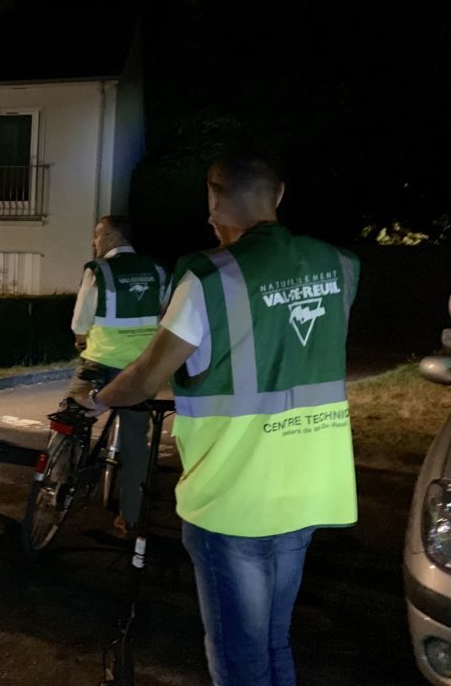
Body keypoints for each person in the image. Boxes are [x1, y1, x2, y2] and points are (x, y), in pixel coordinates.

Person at [87, 150, 359, 685]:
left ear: (213, 202)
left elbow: (146, 375)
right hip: (307, 488)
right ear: (278, 195)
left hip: (233, 498)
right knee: (274, 641)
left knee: (238, 658)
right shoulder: (340, 265)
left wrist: (96, 401)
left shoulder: (210, 277)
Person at [66, 214, 169, 535]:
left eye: (97, 236)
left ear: (110, 237)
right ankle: (131, 516)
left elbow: (81, 321)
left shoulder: (98, 270)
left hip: (99, 363)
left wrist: (80, 338)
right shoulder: (157, 271)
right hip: (138, 371)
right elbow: (164, 313)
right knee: (136, 441)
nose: (94, 243)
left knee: (71, 417)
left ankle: (60, 483)